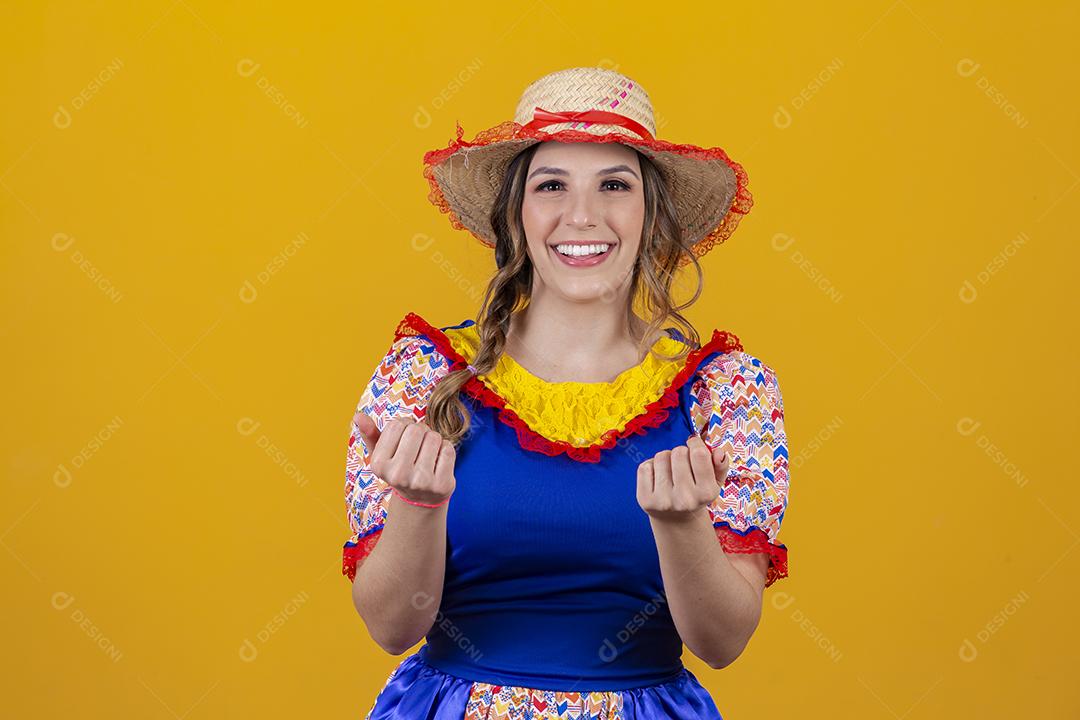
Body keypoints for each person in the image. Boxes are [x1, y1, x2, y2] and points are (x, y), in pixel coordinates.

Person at [341, 66, 790, 719]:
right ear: (515, 215)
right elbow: (389, 628)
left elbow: (722, 643)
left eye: (615, 184)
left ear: (651, 213)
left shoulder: (725, 393)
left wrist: (682, 523)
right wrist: (417, 502)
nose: (583, 215)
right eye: (552, 185)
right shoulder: (425, 376)